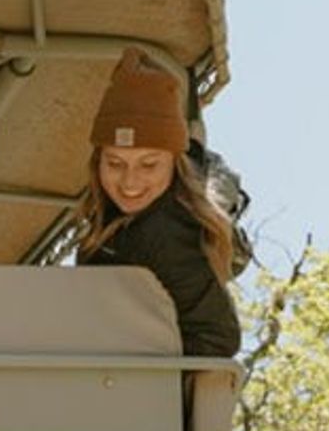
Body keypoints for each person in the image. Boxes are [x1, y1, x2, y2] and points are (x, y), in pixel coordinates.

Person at [75, 48, 240, 358]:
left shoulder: (166, 232)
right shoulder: (107, 224)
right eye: (115, 163)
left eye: (149, 165)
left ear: (176, 164)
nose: (130, 182)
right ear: (97, 163)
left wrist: (138, 366)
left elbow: (217, 338)